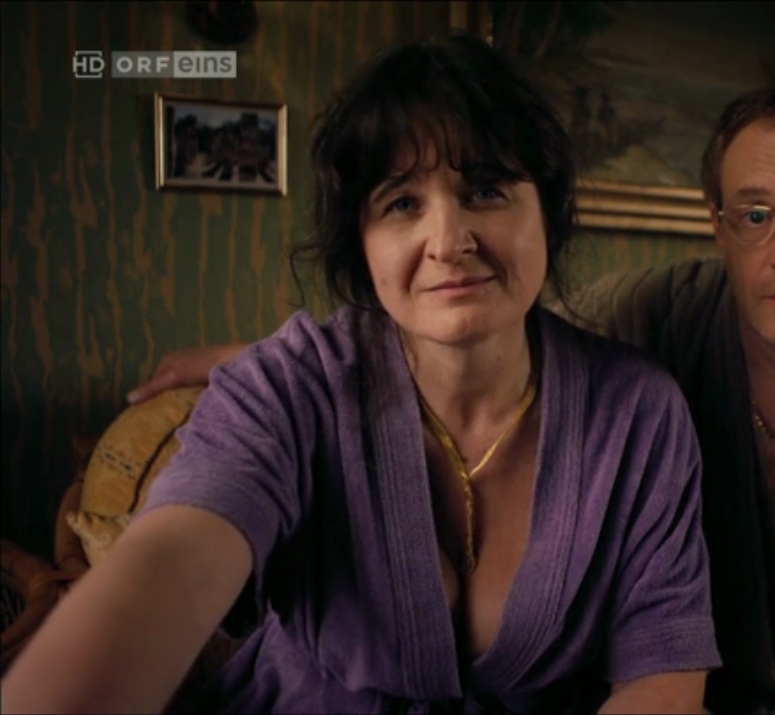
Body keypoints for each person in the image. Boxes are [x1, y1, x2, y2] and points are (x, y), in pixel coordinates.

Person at [120, 77, 775, 713]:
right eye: (756, 214)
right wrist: (274, 359)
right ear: (717, 225)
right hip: (726, 679)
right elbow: (477, 322)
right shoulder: (656, 314)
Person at [0, 36, 721, 714]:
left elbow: (662, 675)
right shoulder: (285, 390)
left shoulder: (639, 413)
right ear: (361, 242)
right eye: (402, 203)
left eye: (486, 190)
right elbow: (171, 565)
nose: (448, 240)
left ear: (548, 214)